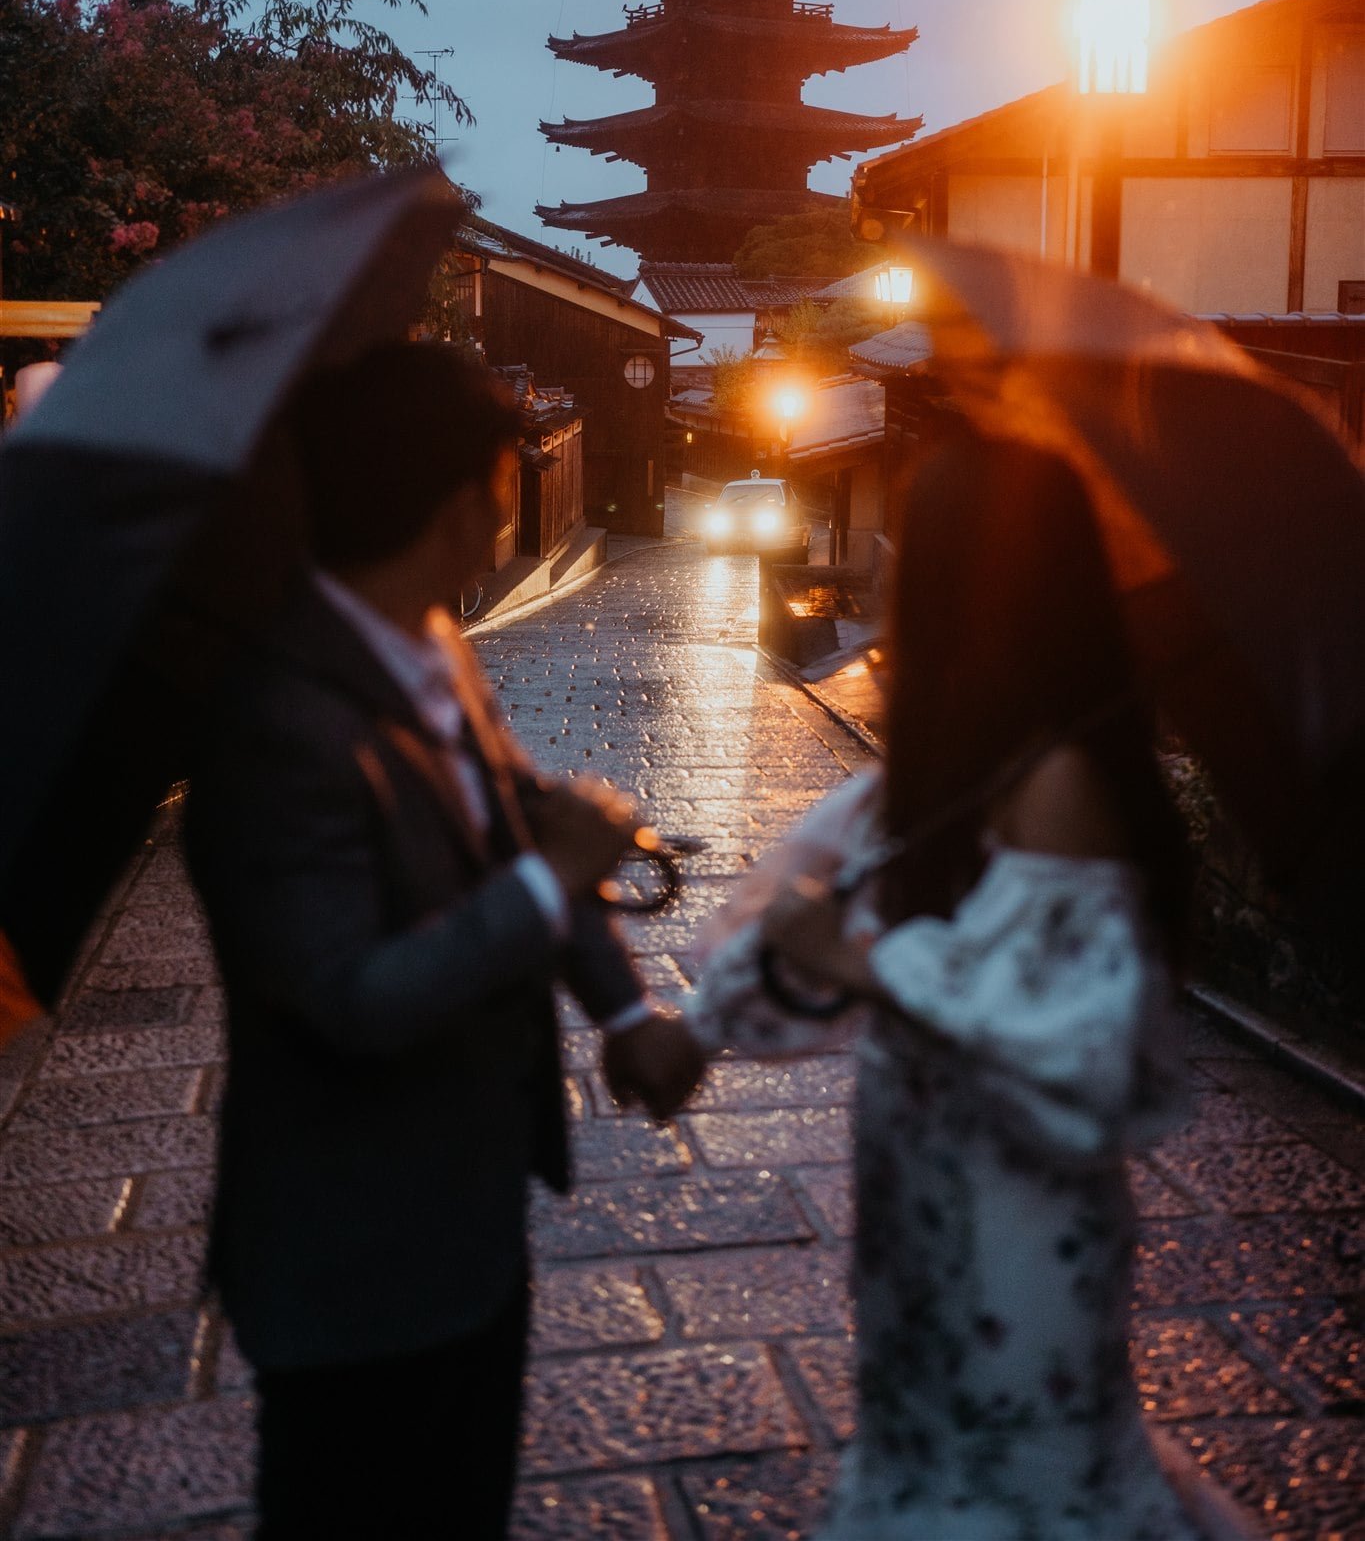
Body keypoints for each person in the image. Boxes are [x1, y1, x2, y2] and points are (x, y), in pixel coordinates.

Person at [185, 341, 703, 1540]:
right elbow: (347, 993)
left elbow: (520, 828)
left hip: (467, 1205)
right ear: (474, 491)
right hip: (349, 1242)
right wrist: (548, 876)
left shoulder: (433, 643)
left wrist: (624, 1012)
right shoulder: (279, 718)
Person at [688, 433, 1247, 1540]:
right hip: (930, 1227)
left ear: (970, 580)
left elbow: (1088, 1050)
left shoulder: (1060, 783)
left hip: (1020, 1238)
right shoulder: (955, 771)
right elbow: (782, 900)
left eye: (914, 541)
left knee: (1013, 1485)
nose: (886, 559)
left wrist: (863, 959)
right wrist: (700, 1018)